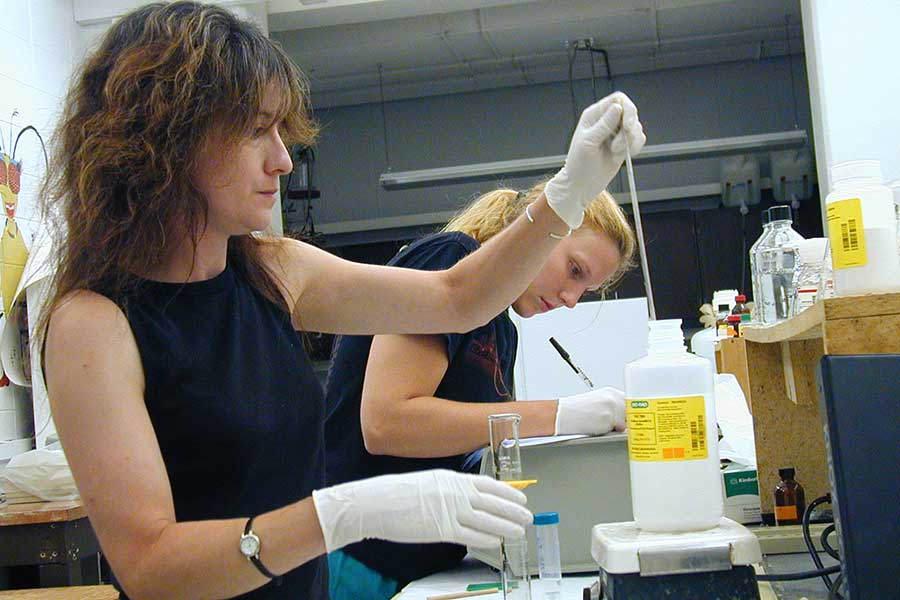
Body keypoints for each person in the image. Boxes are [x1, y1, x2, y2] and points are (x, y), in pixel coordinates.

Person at [38, 2, 645, 599]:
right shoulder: (93, 324)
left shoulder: (273, 270)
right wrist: (342, 515)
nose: (282, 158)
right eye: (256, 130)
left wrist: (568, 195)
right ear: (169, 138)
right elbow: (151, 567)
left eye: (280, 131)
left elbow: (456, 297)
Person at [324, 184, 636, 598]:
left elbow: (477, 441)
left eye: (586, 290)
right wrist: (559, 414)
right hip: (360, 562)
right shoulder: (450, 261)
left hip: (427, 568)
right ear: (541, 228)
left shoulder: (503, 329)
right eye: (574, 270)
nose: (571, 298)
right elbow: (386, 422)